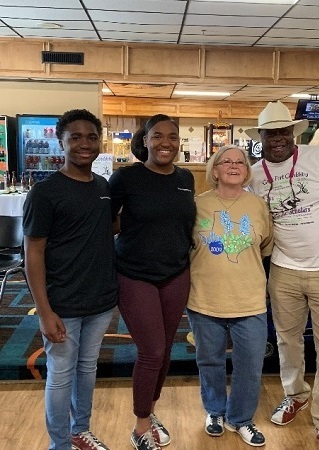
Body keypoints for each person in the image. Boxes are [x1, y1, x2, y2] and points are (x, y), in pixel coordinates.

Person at [245, 101, 319, 450]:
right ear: (263, 137)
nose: (279, 138)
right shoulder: (254, 175)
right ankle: (295, 393)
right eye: (272, 133)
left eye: (285, 131)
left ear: (293, 133)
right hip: (283, 271)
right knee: (287, 340)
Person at [23, 109, 118, 450]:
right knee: (61, 377)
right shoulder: (45, 193)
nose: (84, 143)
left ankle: (81, 430)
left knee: (87, 370)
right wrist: (44, 311)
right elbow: (32, 253)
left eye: (91, 136)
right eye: (75, 137)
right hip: (62, 303)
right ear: (61, 143)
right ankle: (59, 443)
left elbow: (103, 229)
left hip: (101, 300)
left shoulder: (103, 186)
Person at [109, 114, 196, 450]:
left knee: (166, 353)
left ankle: (151, 410)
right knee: (152, 351)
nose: (165, 143)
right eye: (157, 136)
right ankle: (141, 425)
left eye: (172, 137)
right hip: (135, 274)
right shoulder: (125, 178)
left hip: (176, 273)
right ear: (144, 140)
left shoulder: (186, 178)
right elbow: (106, 223)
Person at [186, 145, 274, 448]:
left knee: (250, 365)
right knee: (209, 361)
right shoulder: (196, 205)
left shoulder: (258, 206)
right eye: (227, 162)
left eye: (241, 162)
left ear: (247, 171)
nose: (234, 166)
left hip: (249, 300)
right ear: (214, 170)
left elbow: (265, 249)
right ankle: (214, 411)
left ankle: (240, 419)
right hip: (204, 298)